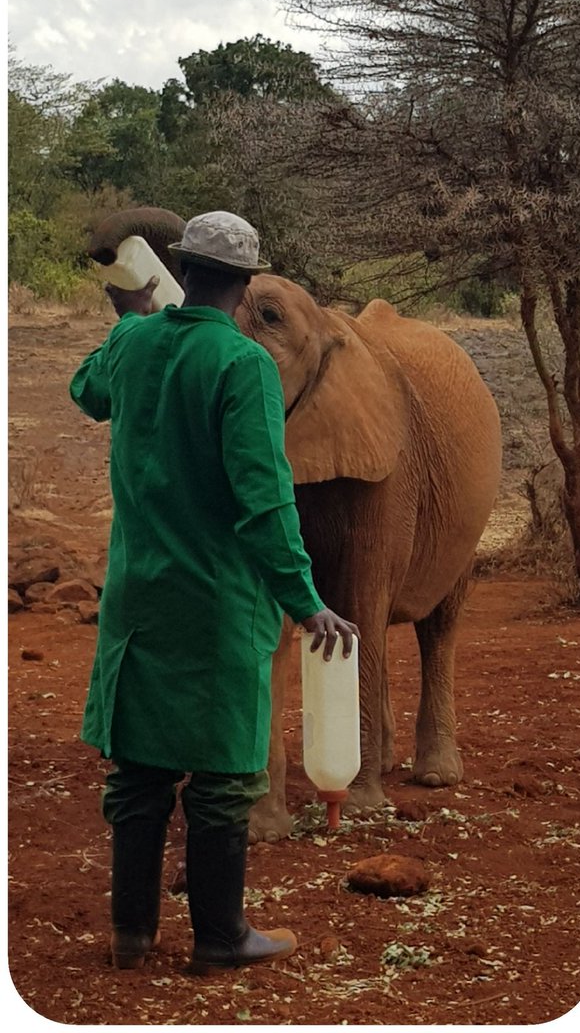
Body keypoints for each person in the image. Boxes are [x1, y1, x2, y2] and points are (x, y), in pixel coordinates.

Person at [70, 211, 359, 975]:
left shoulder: (132, 343)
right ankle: (219, 936)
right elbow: (264, 502)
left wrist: (125, 321)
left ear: (182, 269)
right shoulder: (242, 365)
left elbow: (86, 393)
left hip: (138, 602)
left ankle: (131, 936)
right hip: (219, 605)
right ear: (244, 287)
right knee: (225, 779)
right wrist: (306, 600)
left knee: (137, 775)